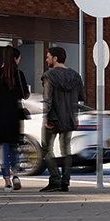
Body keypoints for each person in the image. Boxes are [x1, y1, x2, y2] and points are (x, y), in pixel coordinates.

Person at [0, 48, 32, 190]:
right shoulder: (18, 74)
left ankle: (6, 181)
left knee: (3, 147)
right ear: (16, 58)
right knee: (14, 145)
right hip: (14, 113)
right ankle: (15, 174)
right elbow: (25, 95)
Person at [41, 45, 84, 192]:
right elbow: (81, 97)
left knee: (46, 149)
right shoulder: (75, 76)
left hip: (53, 119)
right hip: (70, 118)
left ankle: (55, 180)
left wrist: (47, 118)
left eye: (48, 57)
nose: (46, 59)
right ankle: (65, 182)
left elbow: (48, 99)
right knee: (66, 150)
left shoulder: (49, 75)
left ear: (55, 58)